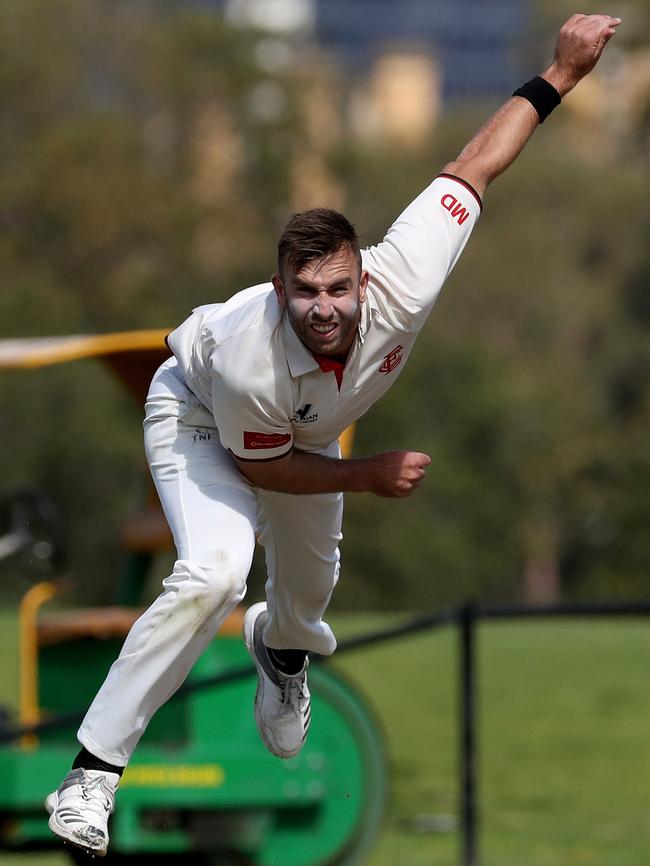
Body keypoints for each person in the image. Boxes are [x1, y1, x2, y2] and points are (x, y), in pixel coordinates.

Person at [45, 13, 620, 856]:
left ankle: (282, 656)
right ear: (280, 291)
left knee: (307, 596)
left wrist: (563, 74)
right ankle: (92, 774)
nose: (325, 307)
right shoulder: (251, 357)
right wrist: (370, 474)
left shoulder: (404, 279)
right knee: (216, 572)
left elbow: (476, 166)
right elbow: (265, 473)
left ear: (362, 280)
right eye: (305, 291)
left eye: (339, 289)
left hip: (300, 441)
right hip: (205, 417)